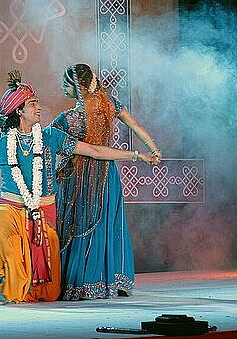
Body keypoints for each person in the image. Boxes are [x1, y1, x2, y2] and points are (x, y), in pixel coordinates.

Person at [0, 70, 159, 305]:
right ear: (19, 110)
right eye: (33, 104)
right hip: (11, 206)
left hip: (44, 213)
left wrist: (137, 155)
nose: (39, 107)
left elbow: (95, 151)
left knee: (51, 292)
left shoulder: (50, 136)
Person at [52, 63, 162, 300]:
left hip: (79, 179)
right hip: (107, 175)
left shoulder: (68, 119)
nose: (62, 87)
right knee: (108, 223)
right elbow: (134, 124)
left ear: (79, 87)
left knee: (79, 225)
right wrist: (152, 148)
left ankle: (80, 284)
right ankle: (112, 280)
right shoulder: (109, 104)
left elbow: (48, 143)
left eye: (66, 83)